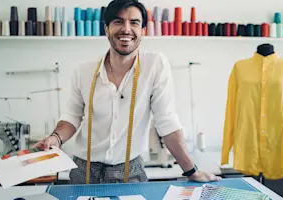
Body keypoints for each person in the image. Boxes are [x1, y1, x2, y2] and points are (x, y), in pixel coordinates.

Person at [33, 0, 221, 184]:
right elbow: (72, 116)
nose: (126, 29)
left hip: (130, 170)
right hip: (83, 170)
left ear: (143, 31)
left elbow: (166, 121)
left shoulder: (154, 65)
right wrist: (55, 138)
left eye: (134, 23)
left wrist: (191, 171)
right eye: (118, 22)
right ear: (106, 29)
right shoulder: (84, 71)